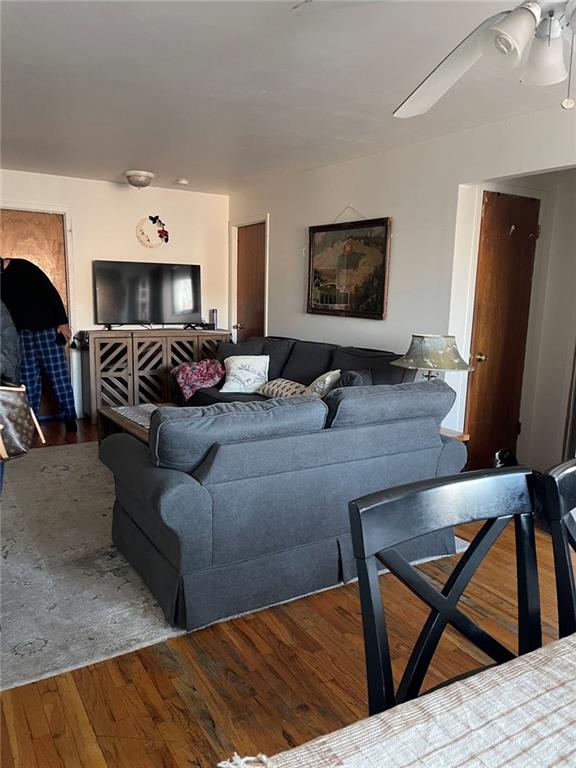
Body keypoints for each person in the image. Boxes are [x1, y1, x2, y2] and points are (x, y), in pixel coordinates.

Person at [0, 258, 77, 432]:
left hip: (47, 330)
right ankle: (29, 424)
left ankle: (70, 419)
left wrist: (62, 322)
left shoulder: (24, 267)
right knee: (28, 381)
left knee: (58, 378)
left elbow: (50, 291)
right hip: (21, 334)